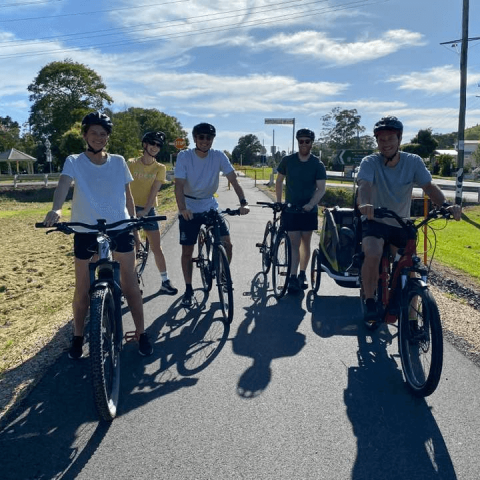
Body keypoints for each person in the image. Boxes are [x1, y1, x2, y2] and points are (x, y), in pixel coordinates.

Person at [42, 111, 153, 358]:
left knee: (129, 282)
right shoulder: (74, 160)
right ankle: (77, 337)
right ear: (85, 135)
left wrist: (134, 228)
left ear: (107, 138)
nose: (98, 137)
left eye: (103, 134)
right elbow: (63, 184)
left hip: (120, 226)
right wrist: (56, 209)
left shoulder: (118, 161)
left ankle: (141, 333)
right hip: (86, 229)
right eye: (94, 133)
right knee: (82, 287)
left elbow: (129, 196)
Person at [356, 115, 462, 326]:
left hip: (400, 222)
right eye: (381, 139)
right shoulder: (370, 162)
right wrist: (365, 204)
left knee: (410, 269)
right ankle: (370, 301)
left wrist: (445, 205)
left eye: (390, 138)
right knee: (373, 252)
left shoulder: (413, 161)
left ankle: (412, 319)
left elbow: (429, 187)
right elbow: (364, 185)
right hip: (375, 220)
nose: (385, 143)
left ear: (399, 139)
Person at [174, 122, 250, 307]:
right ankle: (189, 289)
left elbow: (233, 180)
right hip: (190, 206)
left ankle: (223, 275)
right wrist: (183, 208)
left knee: (227, 244)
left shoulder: (218, 156)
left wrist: (243, 202)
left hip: (210, 205)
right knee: (187, 251)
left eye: (209, 138)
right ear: (195, 139)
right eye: (201, 137)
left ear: (213, 140)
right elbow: (178, 185)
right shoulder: (184, 156)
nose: (205, 141)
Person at [275, 128, 327, 293]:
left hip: (308, 211)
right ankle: (292, 276)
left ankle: (302, 274)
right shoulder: (288, 160)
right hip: (291, 209)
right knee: (293, 242)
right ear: (297, 142)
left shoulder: (317, 164)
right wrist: (279, 202)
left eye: (307, 141)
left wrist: (311, 204)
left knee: (305, 242)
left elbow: (321, 189)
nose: (304, 144)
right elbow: (279, 181)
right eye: (301, 141)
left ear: (312, 143)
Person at [128, 131, 178, 295]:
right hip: (129, 208)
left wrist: (146, 211)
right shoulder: (131, 164)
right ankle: (129, 284)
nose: (155, 147)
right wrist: (132, 211)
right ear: (145, 145)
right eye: (152, 143)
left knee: (157, 247)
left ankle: (165, 281)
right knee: (131, 246)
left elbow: (154, 191)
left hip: (148, 209)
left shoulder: (160, 168)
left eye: (158, 145)